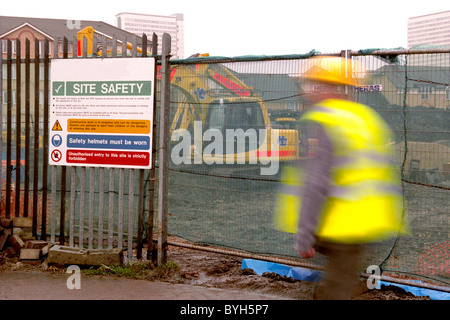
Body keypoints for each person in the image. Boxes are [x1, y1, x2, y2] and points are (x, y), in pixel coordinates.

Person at [274, 56, 408, 300]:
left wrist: (304, 236)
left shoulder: (331, 122)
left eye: (315, 85)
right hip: (361, 222)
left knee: (336, 289)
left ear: (331, 88)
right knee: (337, 282)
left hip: (342, 225)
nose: (308, 92)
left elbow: (316, 184)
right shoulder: (363, 118)